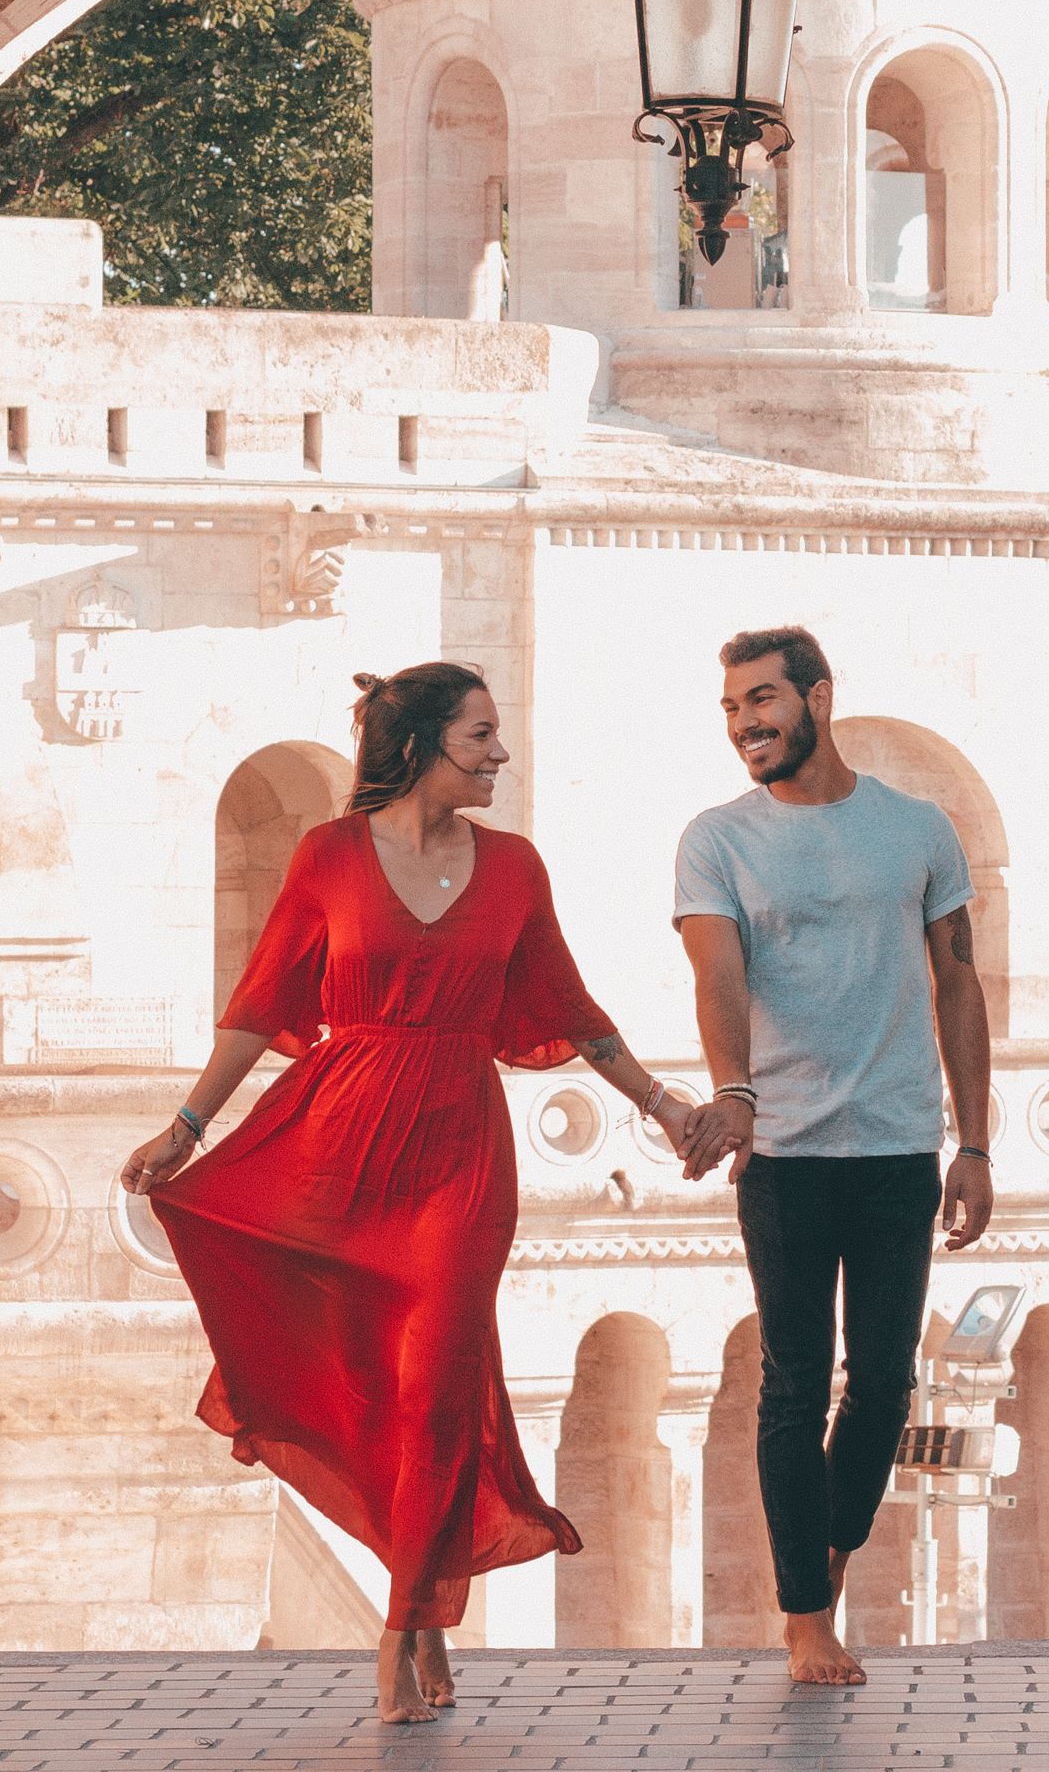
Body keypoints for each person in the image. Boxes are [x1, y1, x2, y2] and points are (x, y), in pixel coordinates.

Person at [121, 663, 689, 1725]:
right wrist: (187, 1127)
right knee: (370, 1382)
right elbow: (260, 1002)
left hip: (457, 1156)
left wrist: (662, 1106)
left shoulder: (515, 868)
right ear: (423, 743)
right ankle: (424, 1600)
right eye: (480, 735)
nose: (500, 754)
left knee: (434, 1382)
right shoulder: (327, 855)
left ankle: (397, 1629)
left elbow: (571, 1007)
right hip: (335, 1142)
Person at [671, 626, 993, 1686]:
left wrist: (976, 1141)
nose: (744, 724)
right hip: (785, 1152)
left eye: (762, 700)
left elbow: (958, 984)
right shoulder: (717, 839)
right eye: (731, 708)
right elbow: (717, 975)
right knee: (792, 1385)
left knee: (887, 1383)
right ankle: (806, 1616)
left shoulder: (918, 829)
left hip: (899, 1146)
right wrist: (734, 1090)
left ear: (817, 697)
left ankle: (827, 1560)